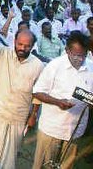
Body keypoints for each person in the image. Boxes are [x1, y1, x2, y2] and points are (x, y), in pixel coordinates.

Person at [0, 5, 44, 169]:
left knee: (10, 156)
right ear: (14, 42)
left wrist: (34, 115)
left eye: (27, 46)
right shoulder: (4, 53)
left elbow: (38, 93)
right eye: (20, 44)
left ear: (32, 46)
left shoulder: (38, 65)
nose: (22, 48)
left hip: (19, 116)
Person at [32, 31, 93, 169]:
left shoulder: (91, 67)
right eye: (75, 55)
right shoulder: (55, 66)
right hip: (52, 128)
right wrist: (58, 102)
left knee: (66, 165)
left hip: (75, 130)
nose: (79, 59)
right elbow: (37, 92)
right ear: (67, 50)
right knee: (44, 165)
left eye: (83, 55)